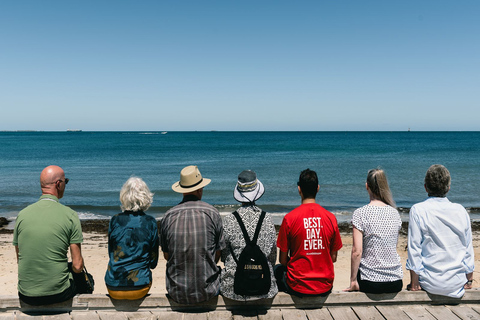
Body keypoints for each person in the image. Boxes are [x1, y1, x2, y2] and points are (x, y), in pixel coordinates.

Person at [13, 165, 85, 305]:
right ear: (58, 184)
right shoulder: (70, 215)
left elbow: (20, 258)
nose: (66, 185)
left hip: (26, 294)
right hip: (58, 293)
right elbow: (77, 266)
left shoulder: (22, 215)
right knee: (86, 279)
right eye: (66, 181)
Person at [406, 164, 475, 298]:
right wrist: (469, 279)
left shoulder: (418, 210)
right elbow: (468, 248)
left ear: (425, 187)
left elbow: (414, 249)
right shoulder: (461, 210)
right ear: (448, 188)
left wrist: (414, 283)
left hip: (430, 282)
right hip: (457, 282)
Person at [160, 165, 225, 304]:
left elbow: (167, 255)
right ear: (200, 188)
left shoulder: (168, 216)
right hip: (208, 290)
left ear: (182, 190)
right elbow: (218, 252)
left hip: (176, 291)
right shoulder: (212, 213)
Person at [276, 168, 343, 296]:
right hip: (324, 285)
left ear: (299, 189)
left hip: (297, 286)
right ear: (318, 188)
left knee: (277, 269)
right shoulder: (330, 218)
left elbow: (283, 260)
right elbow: (333, 258)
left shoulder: (289, 218)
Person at [220, 170, 278, 300]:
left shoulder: (230, 219)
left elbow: (224, 256)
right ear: (257, 192)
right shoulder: (267, 218)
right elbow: (272, 256)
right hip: (264, 286)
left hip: (233, 288)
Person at [344, 168, 403, 294]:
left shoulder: (360, 213)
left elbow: (357, 251)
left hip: (370, 281)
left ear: (367, 186)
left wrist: (353, 280)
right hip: (395, 281)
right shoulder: (395, 213)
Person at [104, 177, 159, 300]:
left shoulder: (115, 220)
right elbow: (153, 263)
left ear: (124, 196)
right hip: (140, 287)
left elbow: (112, 254)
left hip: (113, 286)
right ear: (145, 196)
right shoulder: (150, 222)